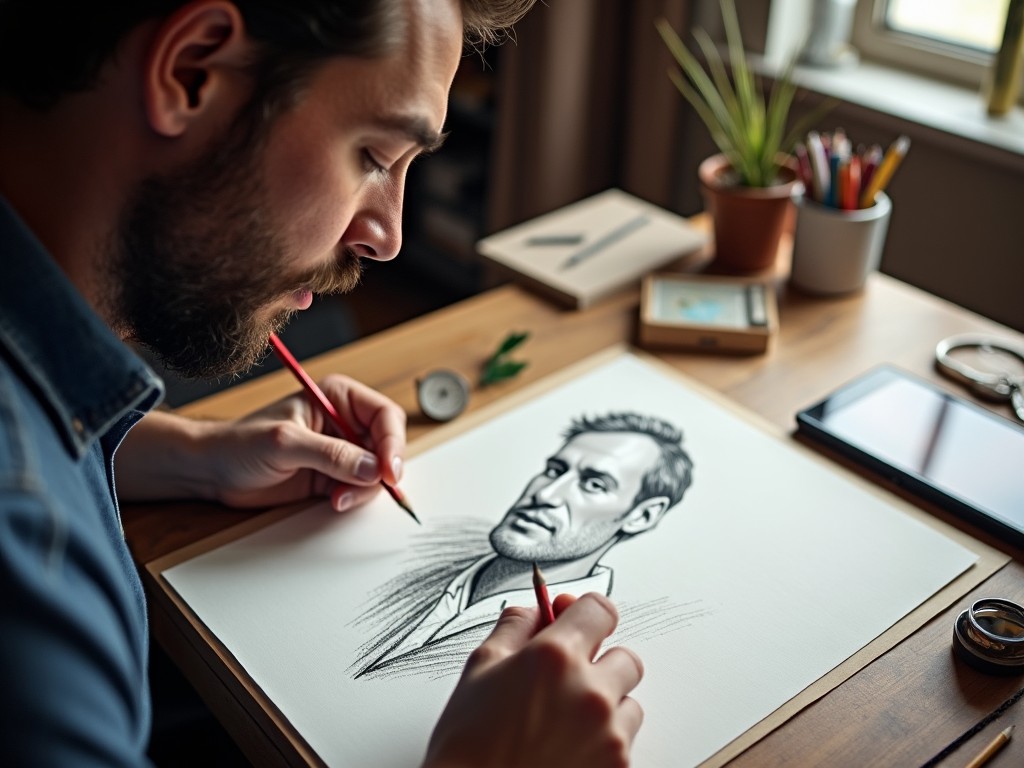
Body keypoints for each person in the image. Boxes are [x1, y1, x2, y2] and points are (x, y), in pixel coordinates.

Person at [0, 2, 646, 767]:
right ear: (190, 71)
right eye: (374, 156)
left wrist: (185, 453)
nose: (387, 235)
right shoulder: (32, 575)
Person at [357, 411, 694, 678]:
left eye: (593, 484)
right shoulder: (418, 569)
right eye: (554, 470)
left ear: (643, 515)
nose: (546, 494)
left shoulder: (574, 651)